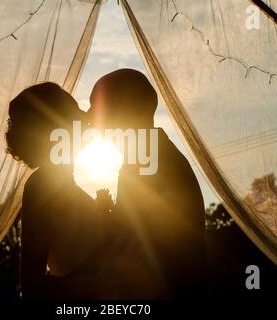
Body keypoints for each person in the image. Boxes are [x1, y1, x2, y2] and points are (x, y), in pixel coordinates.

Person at [87, 69, 207, 298]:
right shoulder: (149, 157)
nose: (90, 115)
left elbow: (134, 247)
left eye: (97, 106)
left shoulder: (151, 165)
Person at [6, 82, 109, 298]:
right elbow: (32, 286)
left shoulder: (64, 185)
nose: (84, 116)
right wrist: (100, 283)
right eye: (75, 112)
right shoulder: (42, 186)